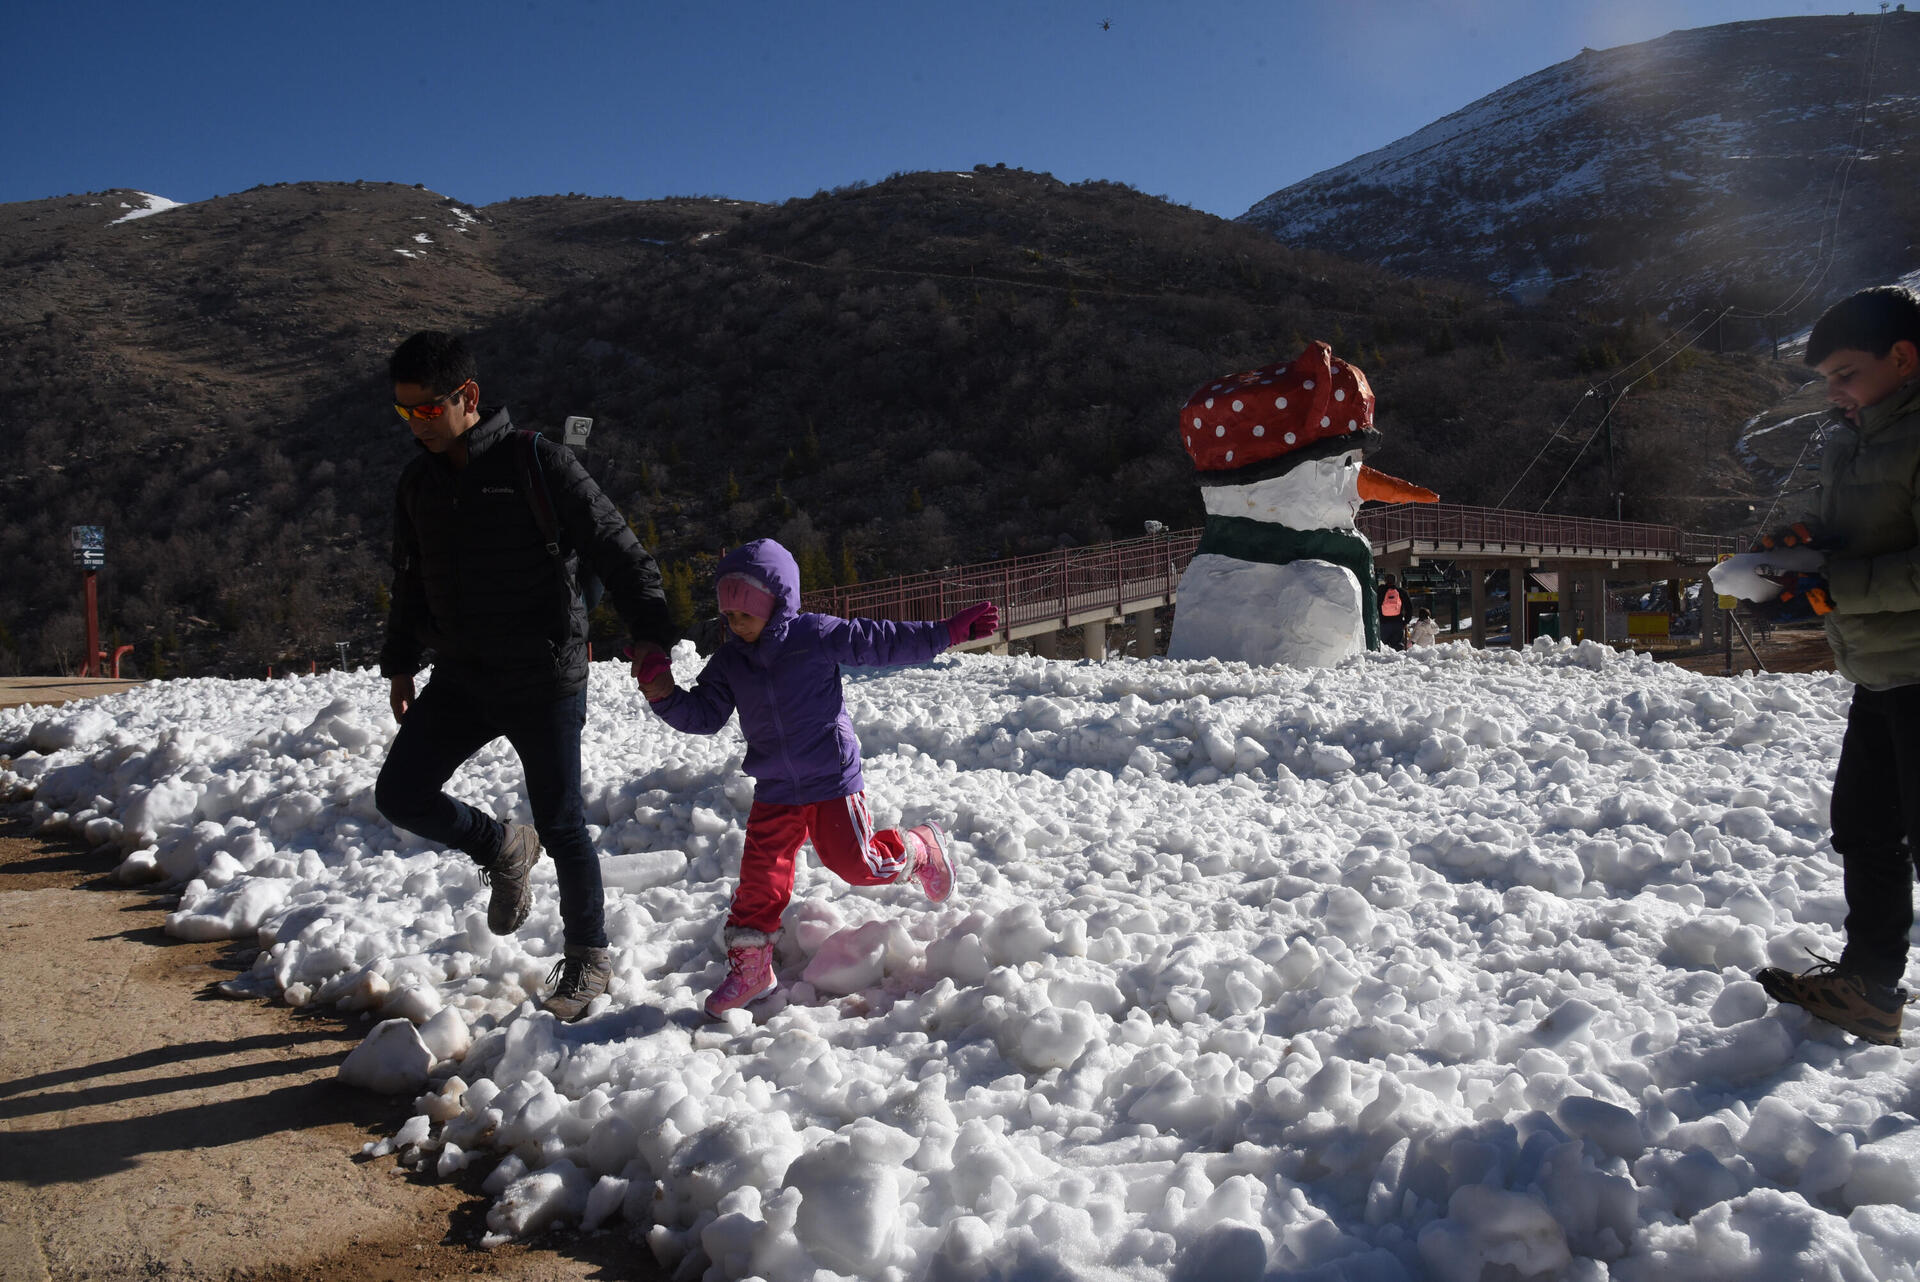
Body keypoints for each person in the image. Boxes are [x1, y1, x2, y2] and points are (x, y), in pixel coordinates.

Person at [374, 331, 677, 1022]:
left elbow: (622, 551)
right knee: (401, 793)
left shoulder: (539, 462)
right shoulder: (417, 484)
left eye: (425, 411)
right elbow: (409, 580)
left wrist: (652, 637)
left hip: (545, 677)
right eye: (403, 413)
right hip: (462, 677)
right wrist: (399, 662)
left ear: (467, 398)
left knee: (564, 825)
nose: (415, 425)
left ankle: (589, 957)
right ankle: (502, 847)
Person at [638, 538, 999, 1017]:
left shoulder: (815, 635)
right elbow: (705, 714)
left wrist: (942, 634)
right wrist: (663, 695)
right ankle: (751, 969)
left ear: (776, 603)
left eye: (744, 612)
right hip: (776, 788)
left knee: (858, 866)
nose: (734, 623)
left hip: (831, 779)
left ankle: (920, 848)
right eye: (728, 615)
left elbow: (880, 642)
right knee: (759, 881)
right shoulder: (730, 660)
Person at [1753, 285, 1920, 1046]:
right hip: (1878, 667)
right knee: (1864, 830)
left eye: (1845, 374)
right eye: (1826, 379)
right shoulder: (1853, 436)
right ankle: (1871, 988)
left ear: (1903, 358)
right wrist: (1798, 544)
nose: (1833, 391)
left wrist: (1833, 587)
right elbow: (1852, 530)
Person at [1377, 574, 1407, 649]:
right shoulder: (1401, 592)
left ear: (1385, 581)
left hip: (1383, 623)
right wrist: (1405, 622)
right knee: (1398, 646)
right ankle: (1400, 660)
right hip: (1398, 623)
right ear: (1395, 581)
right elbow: (1409, 607)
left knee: (1383, 647)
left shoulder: (1380, 591)